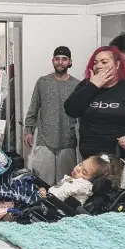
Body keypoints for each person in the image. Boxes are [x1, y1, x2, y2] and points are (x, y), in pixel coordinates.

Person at [63, 46, 125, 188]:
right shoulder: (86, 85)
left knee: (117, 199)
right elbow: (71, 110)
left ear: (117, 65)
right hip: (90, 159)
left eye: (104, 62)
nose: (99, 66)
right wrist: (93, 86)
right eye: (95, 63)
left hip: (122, 157)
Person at [0, 153, 124, 221]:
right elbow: (56, 191)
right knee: (23, 182)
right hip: (47, 200)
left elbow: (61, 195)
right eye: (80, 164)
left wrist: (46, 194)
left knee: (21, 192)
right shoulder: (76, 180)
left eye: (84, 171)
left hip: (54, 208)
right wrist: (45, 191)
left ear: (92, 180)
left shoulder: (83, 186)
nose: (77, 169)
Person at [24, 46, 80, 185]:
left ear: (70, 62)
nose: (60, 62)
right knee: (43, 185)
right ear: (52, 61)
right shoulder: (43, 82)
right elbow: (33, 108)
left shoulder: (77, 85)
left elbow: (83, 114)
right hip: (45, 142)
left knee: (66, 186)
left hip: (68, 142)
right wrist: (28, 131)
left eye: (64, 59)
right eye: (57, 59)